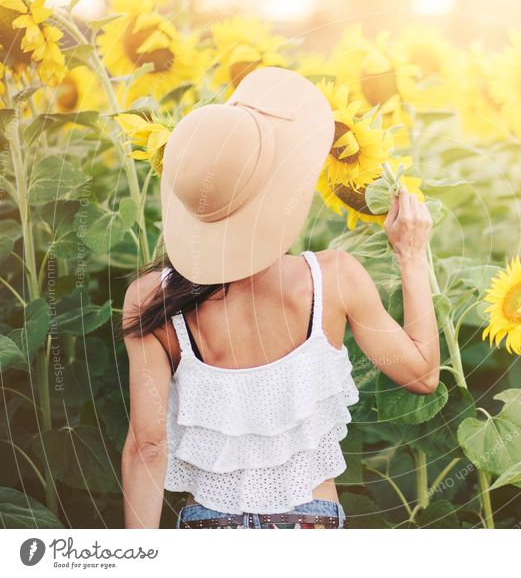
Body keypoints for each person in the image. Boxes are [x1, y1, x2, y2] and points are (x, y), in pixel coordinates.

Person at [119, 67, 439, 529]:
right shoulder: (333, 279)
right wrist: (411, 255)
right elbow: (423, 374)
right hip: (309, 523)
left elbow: (147, 447)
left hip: (209, 526)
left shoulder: (150, 299)